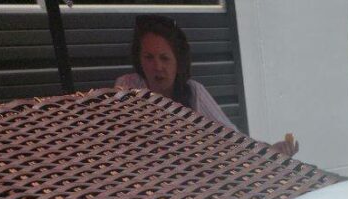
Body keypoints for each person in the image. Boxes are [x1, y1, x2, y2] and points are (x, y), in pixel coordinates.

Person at [115, 15, 299, 157]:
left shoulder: (193, 92)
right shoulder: (127, 87)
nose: (157, 67)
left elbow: (231, 136)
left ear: (178, 61)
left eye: (164, 58)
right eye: (149, 57)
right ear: (139, 60)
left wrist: (269, 151)